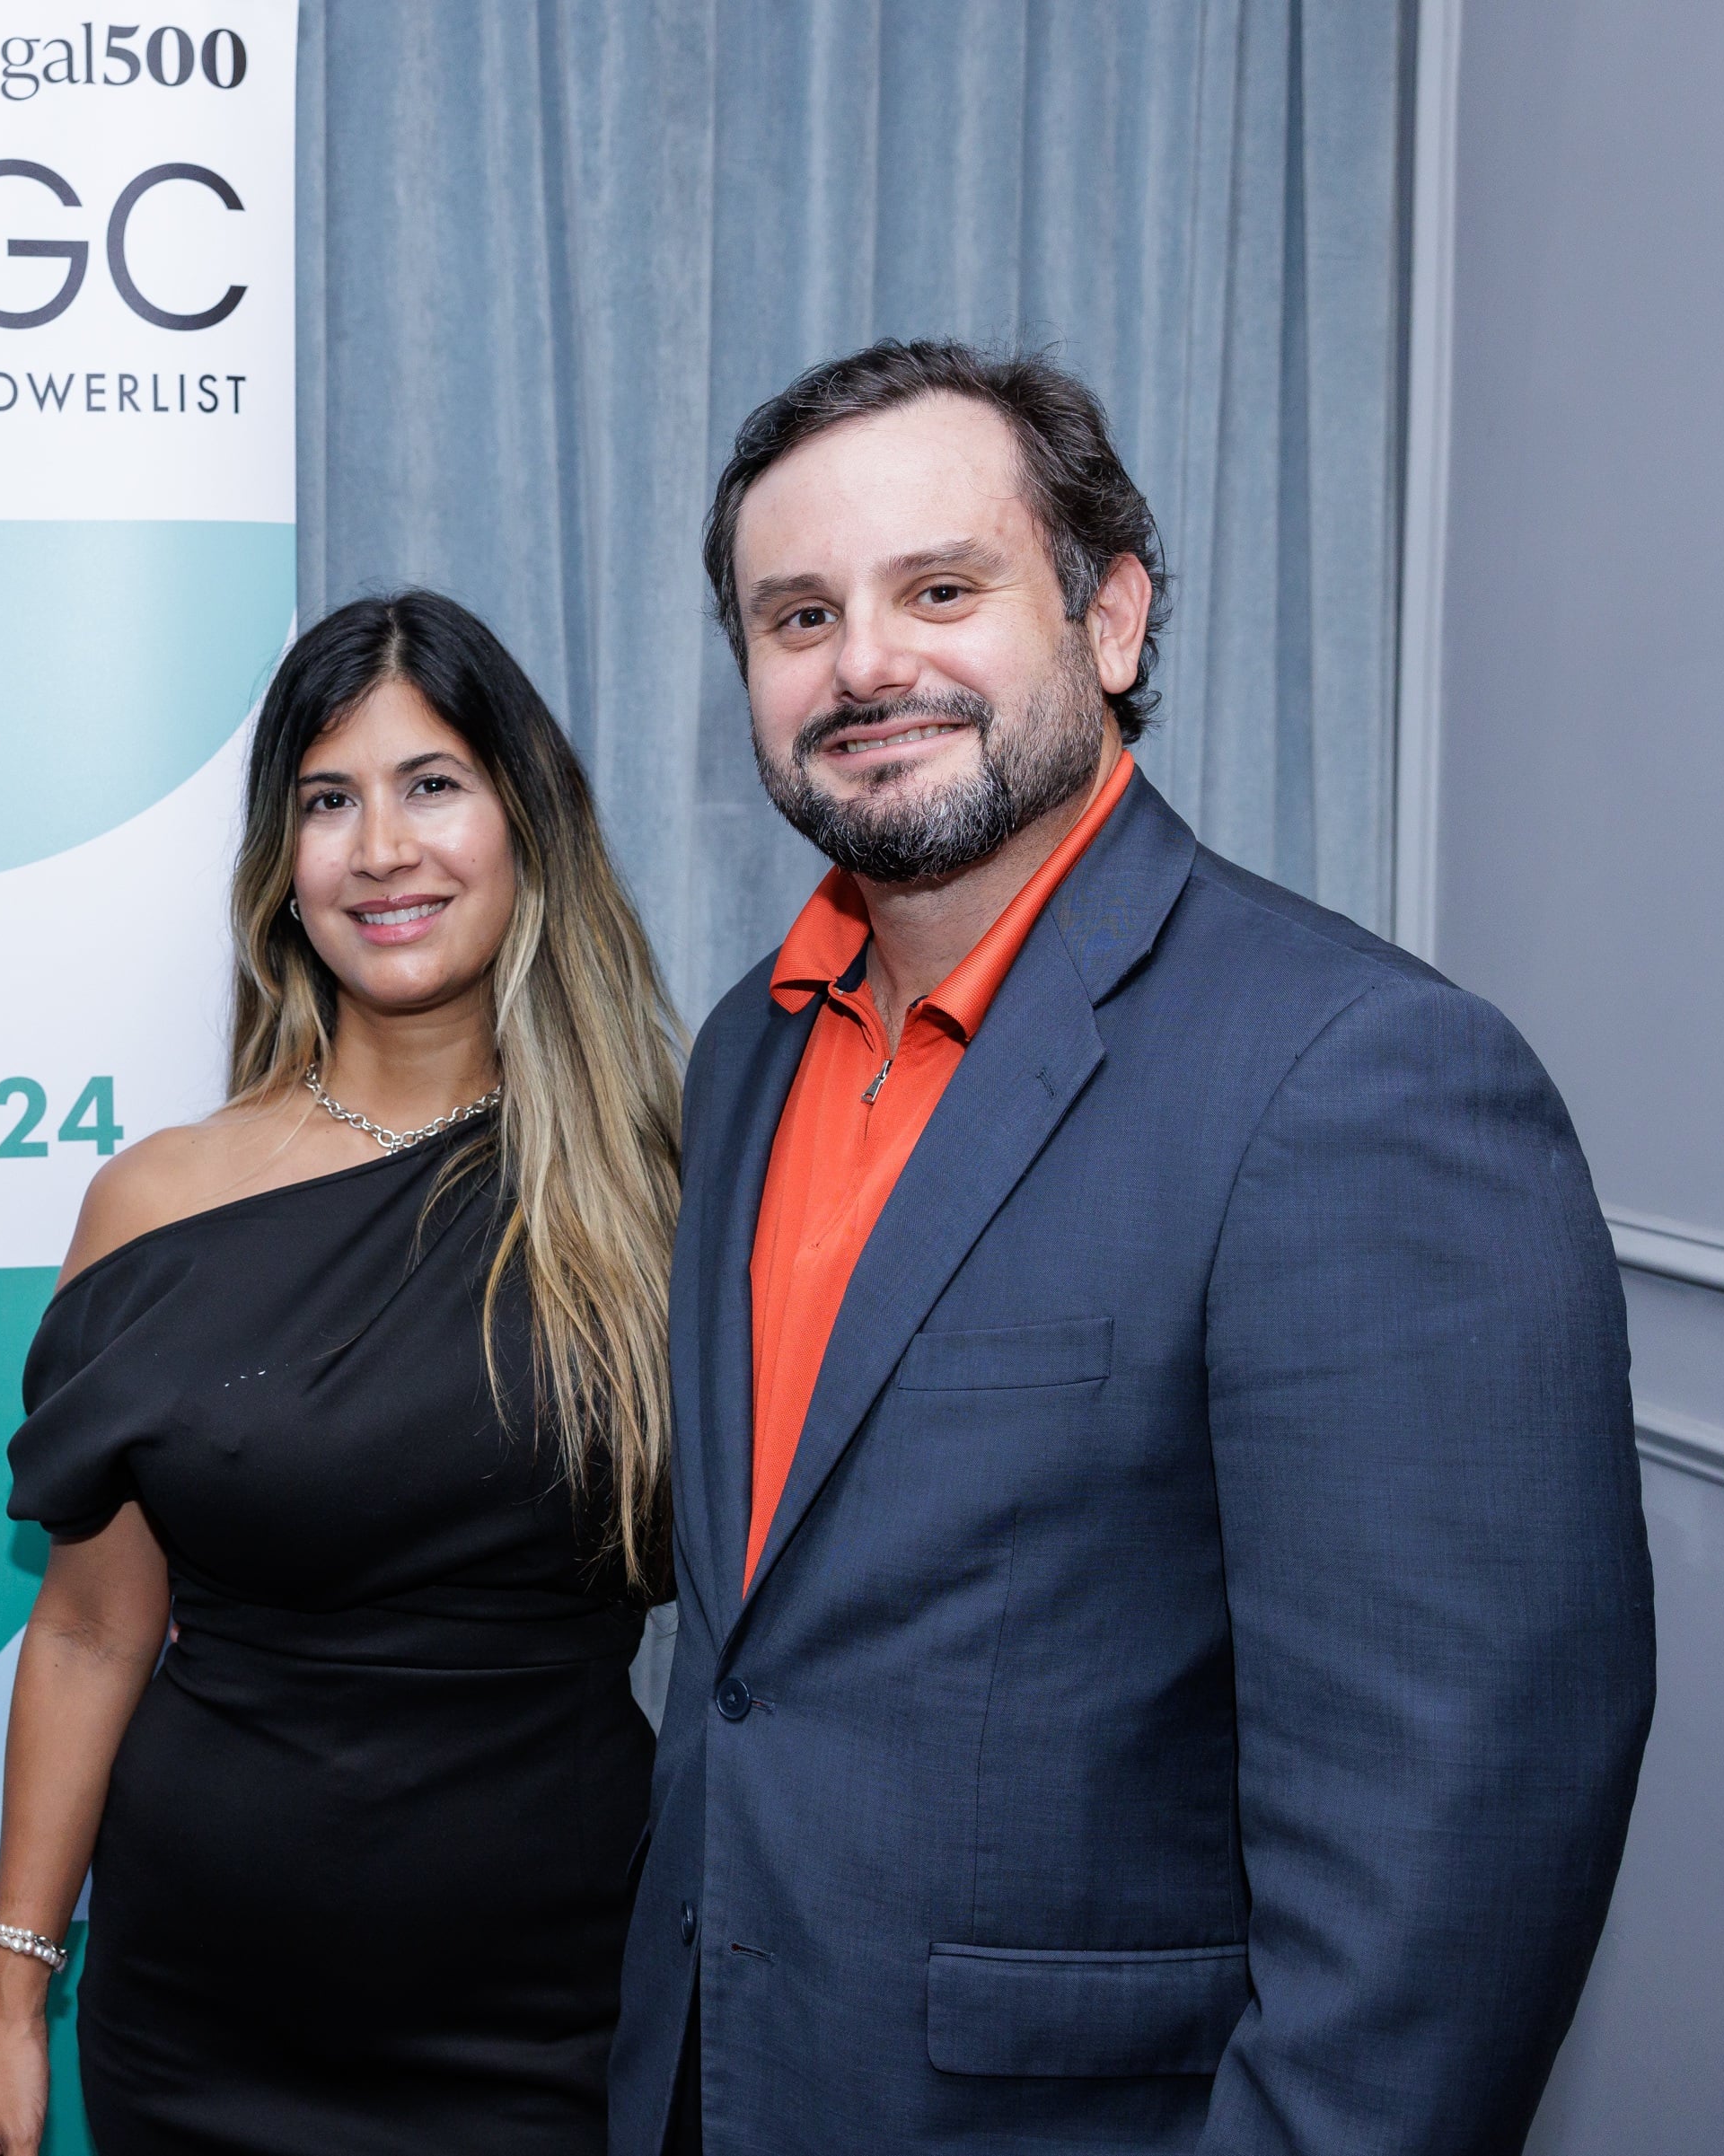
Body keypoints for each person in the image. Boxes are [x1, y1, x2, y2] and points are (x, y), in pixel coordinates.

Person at [615, 340, 1655, 2154]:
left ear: (1110, 617)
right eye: (800, 617)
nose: (865, 664)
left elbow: (1454, 1852)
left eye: (942, 590)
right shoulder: (742, 1051)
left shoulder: (1361, 1079)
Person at [0, 589, 683, 2156]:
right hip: (207, 2020)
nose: (381, 849)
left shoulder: (664, 1189)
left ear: (527, 821)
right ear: (284, 864)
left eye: (433, 785)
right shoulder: (157, 1206)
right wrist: (11, 2005)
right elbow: (88, 1628)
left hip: (565, 2008)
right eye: (328, 801)